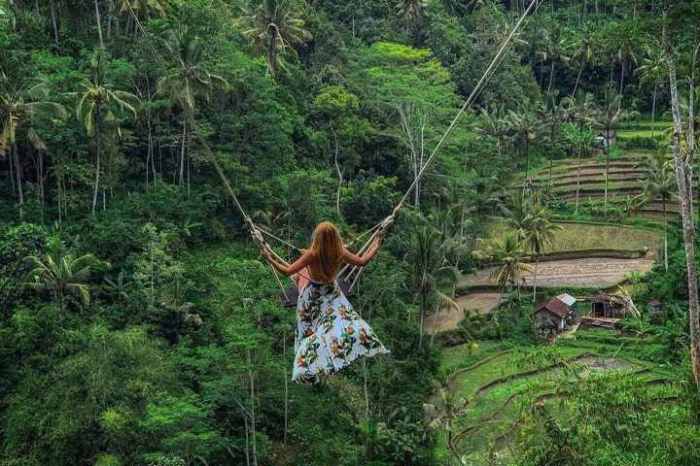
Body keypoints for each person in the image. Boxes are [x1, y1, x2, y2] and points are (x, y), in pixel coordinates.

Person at [260, 221, 390, 384]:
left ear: (317, 238)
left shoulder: (312, 255)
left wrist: (269, 258)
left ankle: (309, 365)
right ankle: (342, 349)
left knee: (307, 331)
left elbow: (287, 271)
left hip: (313, 294)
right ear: (336, 238)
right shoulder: (339, 251)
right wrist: (377, 243)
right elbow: (362, 261)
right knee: (342, 322)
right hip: (331, 292)